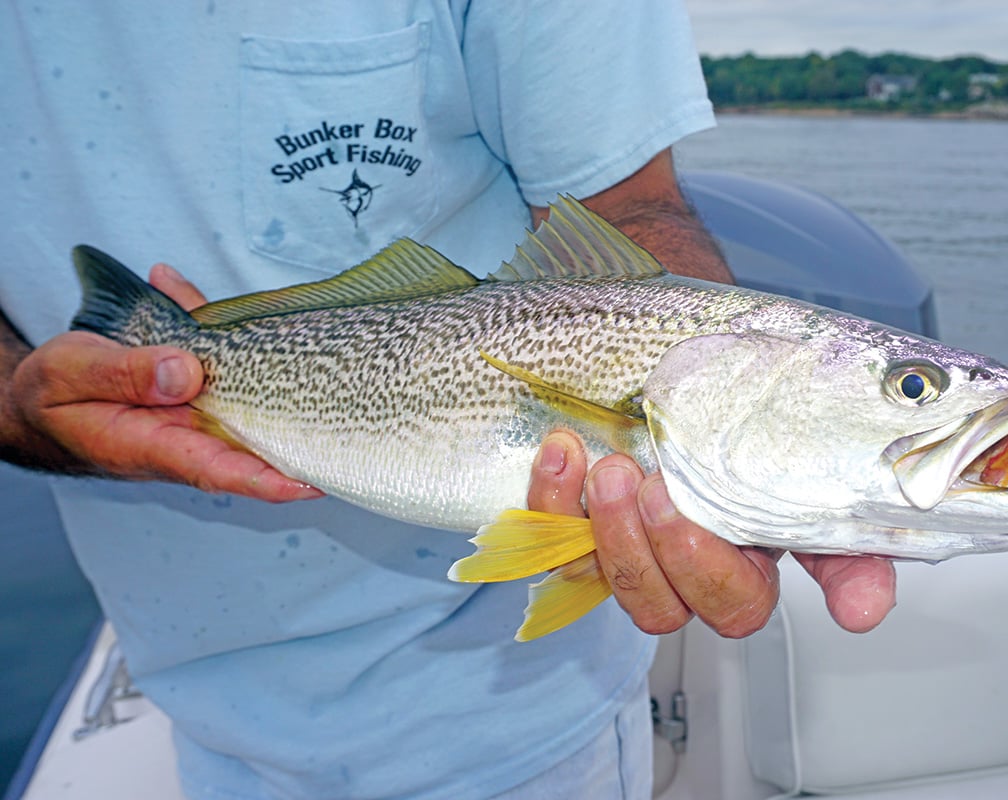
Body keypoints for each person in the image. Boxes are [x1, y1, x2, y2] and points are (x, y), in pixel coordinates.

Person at [0, 2, 896, 798]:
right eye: (910, 386)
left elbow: (632, 209)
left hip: (511, 728)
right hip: (191, 697)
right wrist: (21, 399)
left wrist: (707, 451)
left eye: (909, 388)